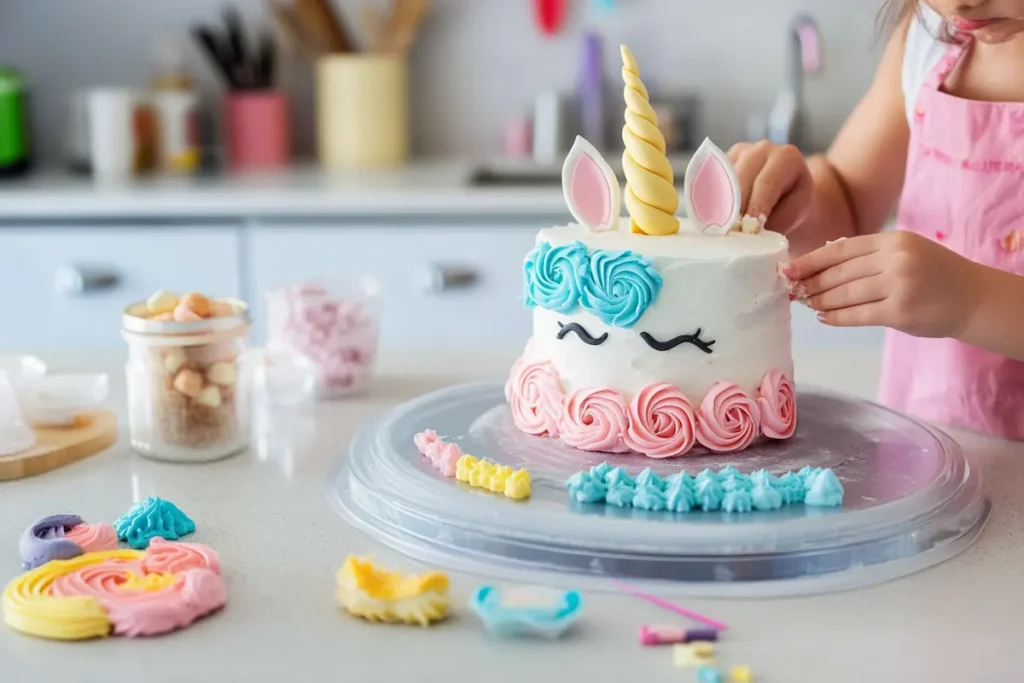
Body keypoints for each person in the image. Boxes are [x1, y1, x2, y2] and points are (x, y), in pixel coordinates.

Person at [727, 0, 1024, 439]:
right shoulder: (926, 38)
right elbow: (848, 197)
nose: (961, 2)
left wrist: (972, 301)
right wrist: (799, 201)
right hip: (927, 445)